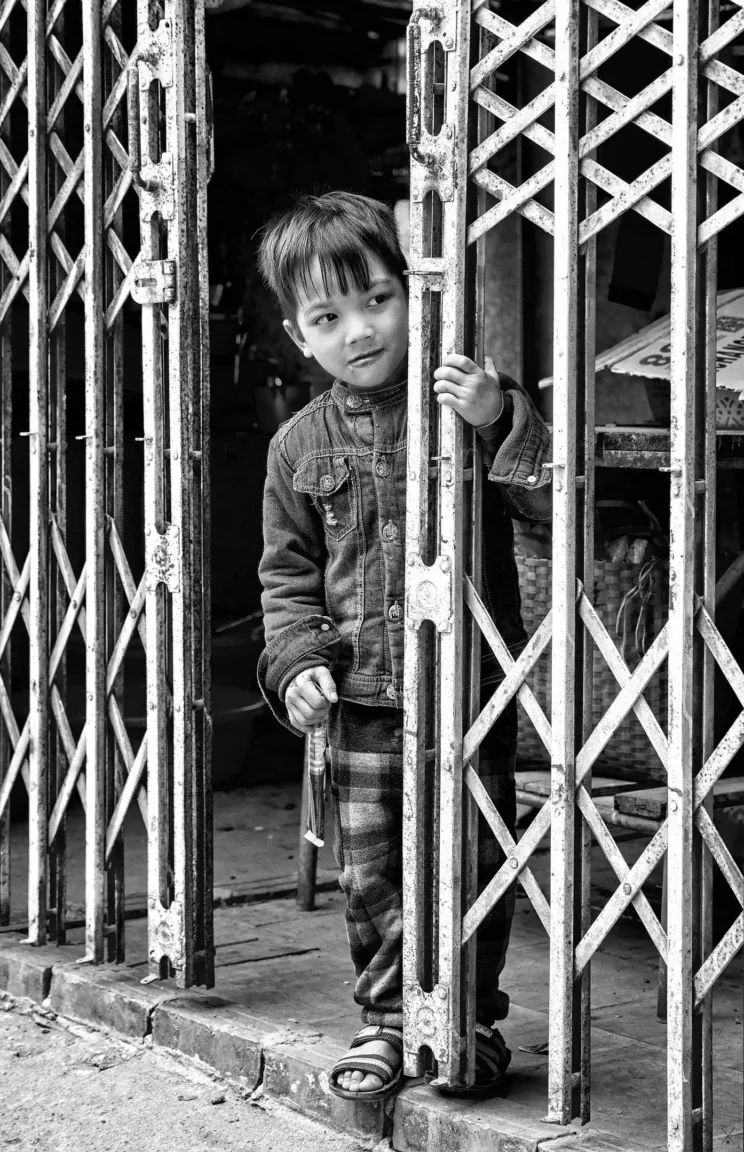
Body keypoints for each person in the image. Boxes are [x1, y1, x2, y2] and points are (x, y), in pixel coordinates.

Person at [256, 191, 551, 1102]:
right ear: (299, 336)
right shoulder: (296, 446)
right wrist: (297, 663)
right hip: (363, 698)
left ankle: (469, 1023)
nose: (359, 330)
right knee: (373, 875)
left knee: (476, 859)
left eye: (377, 300)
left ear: (416, 292)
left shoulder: (465, 402)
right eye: (328, 318)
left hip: (468, 690)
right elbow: (286, 578)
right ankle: (388, 1024)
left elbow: (546, 504)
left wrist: (498, 417)